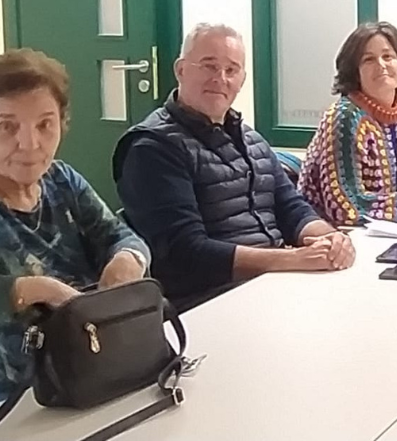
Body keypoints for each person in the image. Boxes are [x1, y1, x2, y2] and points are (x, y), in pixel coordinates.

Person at [113, 24, 354, 309]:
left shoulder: (252, 140)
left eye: (232, 70)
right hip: (209, 301)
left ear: (242, 79)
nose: (220, 79)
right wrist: (291, 259)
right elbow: (184, 253)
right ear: (180, 70)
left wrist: (330, 240)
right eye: (209, 66)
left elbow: (292, 208)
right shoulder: (151, 147)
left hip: (272, 286)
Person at [0, 50, 150, 401]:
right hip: (18, 396)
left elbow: (119, 234)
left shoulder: (62, 181)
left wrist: (129, 258)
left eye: (44, 124)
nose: (29, 144)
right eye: (6, 126)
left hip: (94, 371)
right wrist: (33, 290)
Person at [300, 22, 397, 224]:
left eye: (388, 56)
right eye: (368, 59)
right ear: (354, 71)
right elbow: (345, 206)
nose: (381, 65)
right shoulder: (344, 116)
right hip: (334, 235)